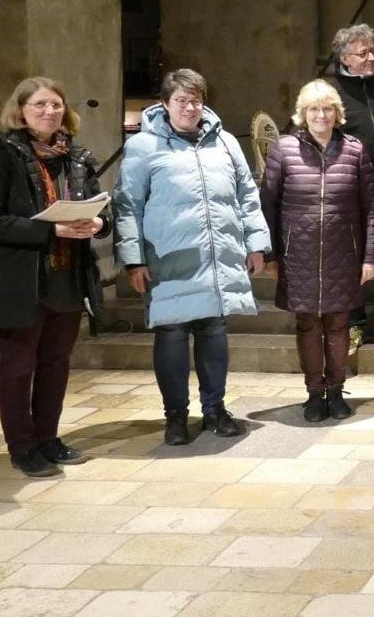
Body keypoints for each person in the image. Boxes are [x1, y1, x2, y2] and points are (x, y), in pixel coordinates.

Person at [114, 69, 271, 445]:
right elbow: (127, 205)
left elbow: (247, 195)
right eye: (181, 100)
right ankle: (176, 418)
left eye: (196, 100)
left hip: (217, 258)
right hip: (169, 259)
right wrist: (133, 259)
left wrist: (256, 243)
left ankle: (215, 410)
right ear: (165, 104)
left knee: (214, 332)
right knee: (171, 334)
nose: (189, 107)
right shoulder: (143, 147)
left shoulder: (226, 142)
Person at [0, 77, 109, 476]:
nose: (50, 112)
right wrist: (51, 229)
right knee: (17, 367)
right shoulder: (1, 153)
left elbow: (102, 210)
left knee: (56, 362)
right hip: (21, 279)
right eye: (40, 106)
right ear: (21, 111)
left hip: (68, 275)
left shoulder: (76, 156)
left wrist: (97, 223)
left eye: (56, 105)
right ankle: (22, 445)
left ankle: (48, 437)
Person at [259, 80, 374, 423]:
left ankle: (337, 390)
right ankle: (314, 392)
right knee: (308, 325)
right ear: (303, 113)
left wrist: (371, 255)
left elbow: (371, 208)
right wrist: (269, 254)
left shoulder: (355, 150)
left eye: (327, 108)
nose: (321, 115)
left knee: (339, 324)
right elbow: (267, 205)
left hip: (344, 254)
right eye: (314, 109)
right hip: (298, 255)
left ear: (337, 113)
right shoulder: (283, 150)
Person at [325, 24, 374, 354]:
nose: (372, 57)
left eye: (373, 50)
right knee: (352, 253)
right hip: (348, 183)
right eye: (363, 53)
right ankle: (356, 323)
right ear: (345, 57)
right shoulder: (329, 90)